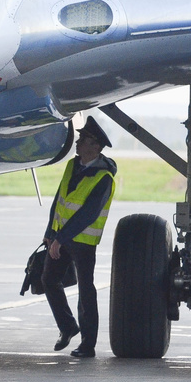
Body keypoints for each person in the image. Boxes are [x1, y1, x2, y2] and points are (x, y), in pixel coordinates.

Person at [42, 116, 116, 358]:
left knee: (86, 292)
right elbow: (59, 198)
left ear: (95, 147)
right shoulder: (72, 166)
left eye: (83, 139)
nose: (78, 142)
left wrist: (60, 238)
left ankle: (88, 344)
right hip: (60, 237)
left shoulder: (104, 178)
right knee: (48, 280)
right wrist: (50, 232)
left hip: (82, 241)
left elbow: (88, 214)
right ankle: (68, 327)